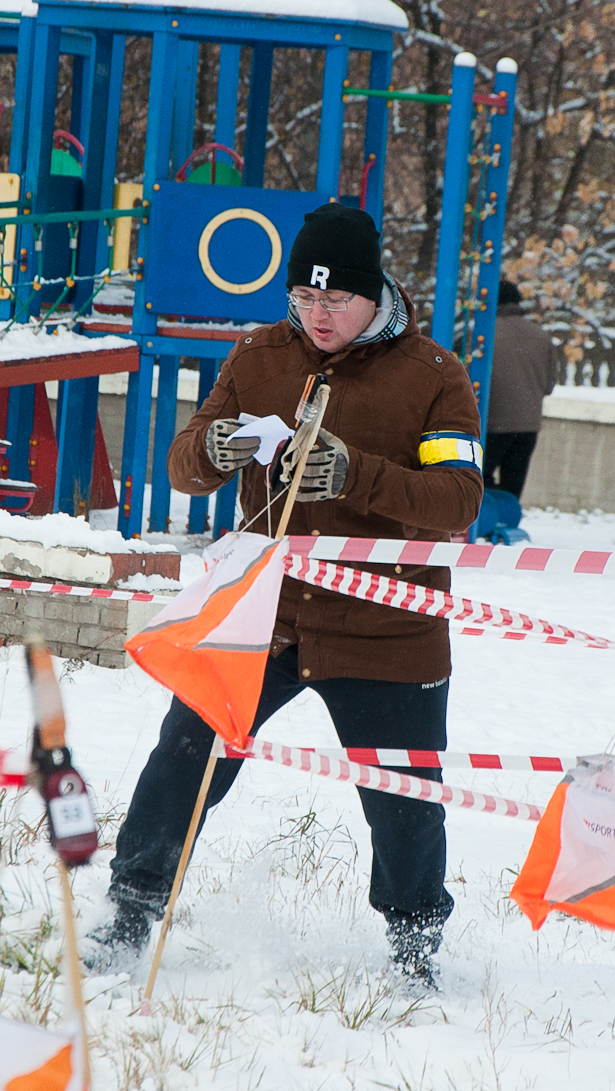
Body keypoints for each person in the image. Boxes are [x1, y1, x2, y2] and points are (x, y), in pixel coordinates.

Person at [89, 203, 484, 990]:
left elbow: (458, 499)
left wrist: (358, 476)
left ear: (375, 293)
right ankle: (129, 914)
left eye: (335, 300)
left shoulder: (433, 375)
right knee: (182, 760)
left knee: (403, 798)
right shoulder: (259, 355)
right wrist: (212, 448)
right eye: (303, 297)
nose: (317, 315)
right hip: (262, 619)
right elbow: (183, 466)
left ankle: (414, 947)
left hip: (386, 626)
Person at [482, 280, 558, 498]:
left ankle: (486, 512)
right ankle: (506, 514)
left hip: (491, 424)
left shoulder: (483, 335)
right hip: (527, 427)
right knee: (512, 489)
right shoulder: (541, 336)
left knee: (478, 483)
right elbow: (549, 385)